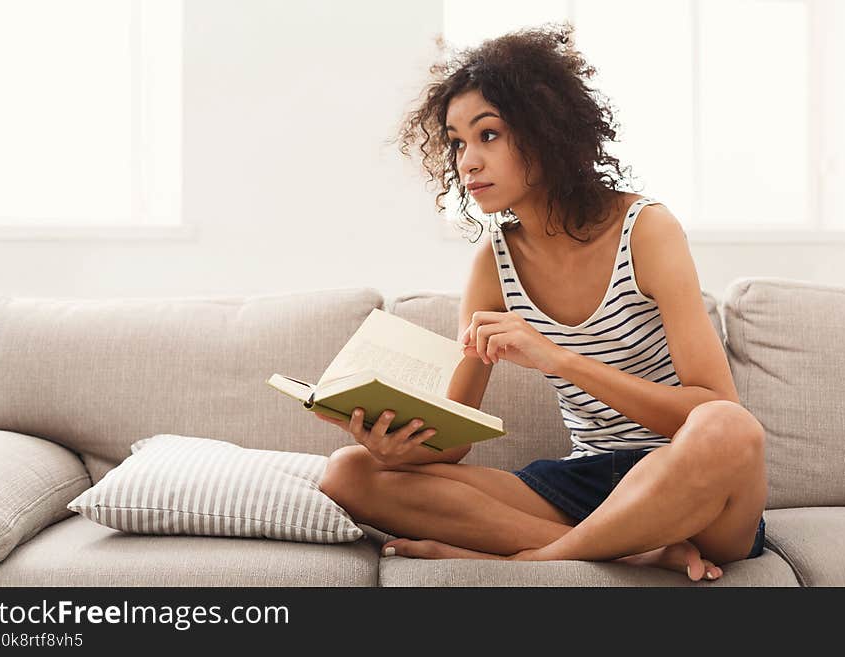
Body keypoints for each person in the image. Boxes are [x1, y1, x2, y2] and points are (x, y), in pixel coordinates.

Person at [316, 22, 767, 582]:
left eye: (488, 135)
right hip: (585, 486)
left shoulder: (645, 230)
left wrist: (559, 359)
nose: (467, 163)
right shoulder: (494, 261)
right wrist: (394, 446)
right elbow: (452, 443)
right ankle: (634, 551)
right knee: (348, 474)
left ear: (545, 132)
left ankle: (542, 558)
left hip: (690, 481)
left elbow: (712, 406)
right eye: (457, 142)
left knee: (729, 428)